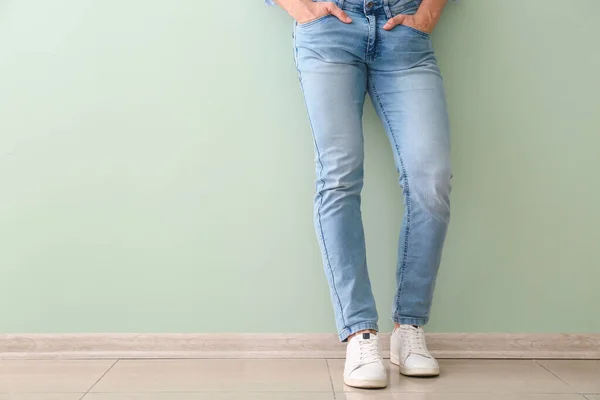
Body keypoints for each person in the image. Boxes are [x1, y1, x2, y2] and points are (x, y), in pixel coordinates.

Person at [266, 0, 452, 389]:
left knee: (431, 177)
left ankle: (409, 327)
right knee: (339, 175)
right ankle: (360, 333)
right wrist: (299, 7)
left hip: (405, 34)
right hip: (330, 31)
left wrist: (430, 11)